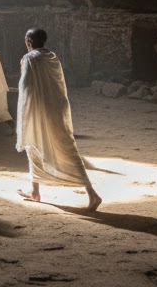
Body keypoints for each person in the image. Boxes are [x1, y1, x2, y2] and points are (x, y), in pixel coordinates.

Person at [16, 28, 102, 211]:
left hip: (38, 109)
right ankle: (35, 191)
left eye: (26, 39)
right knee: (63, 146)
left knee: (35, 144)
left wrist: (24, 113)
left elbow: (25, 87)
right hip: (56, 107)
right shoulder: (52, 57)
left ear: (29, 40)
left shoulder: (30, 58)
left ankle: (93, 195)